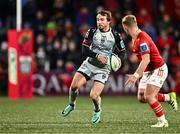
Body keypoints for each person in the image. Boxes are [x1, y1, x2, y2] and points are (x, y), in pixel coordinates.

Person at [61, 10, 126, 124]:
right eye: (97, 19)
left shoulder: (115, 35)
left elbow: (123, 51)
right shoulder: (91, 32)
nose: (99, 22)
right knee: (74, 86)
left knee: (94, 95)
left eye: (102, 20)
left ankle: (97, 110)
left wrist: (118, 60)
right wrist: (97, 55)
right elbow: (84, 50)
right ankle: (72, 105)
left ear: (109, 21)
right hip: (89, 64)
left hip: (103, 68)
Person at [121, 15, 178, 127]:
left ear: (125, 27)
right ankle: (169, 97)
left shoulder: (142, 39)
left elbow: (146, 60)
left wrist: (136, 75)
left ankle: (163, 121)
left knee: (149, 96)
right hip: (148, 70)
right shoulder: (134, 38)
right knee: (142, 97)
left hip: (158, 68)